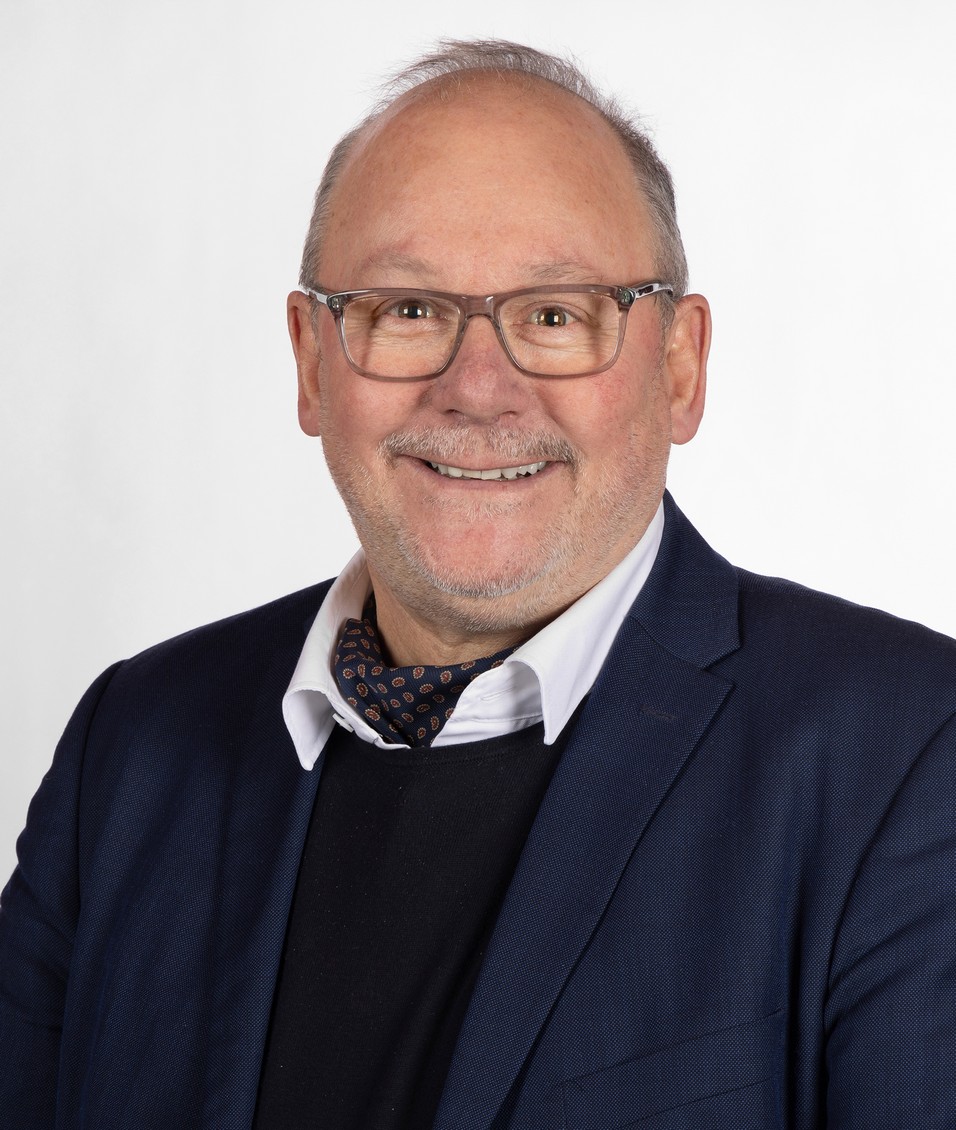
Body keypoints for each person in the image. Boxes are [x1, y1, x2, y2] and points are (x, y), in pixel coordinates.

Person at [1, 38, 953, 1130]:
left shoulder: (907, 754)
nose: (478, 387)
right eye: (408, 309)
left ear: (680, 369)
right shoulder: (133, 744)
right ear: (311, 362)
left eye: (556, 314)